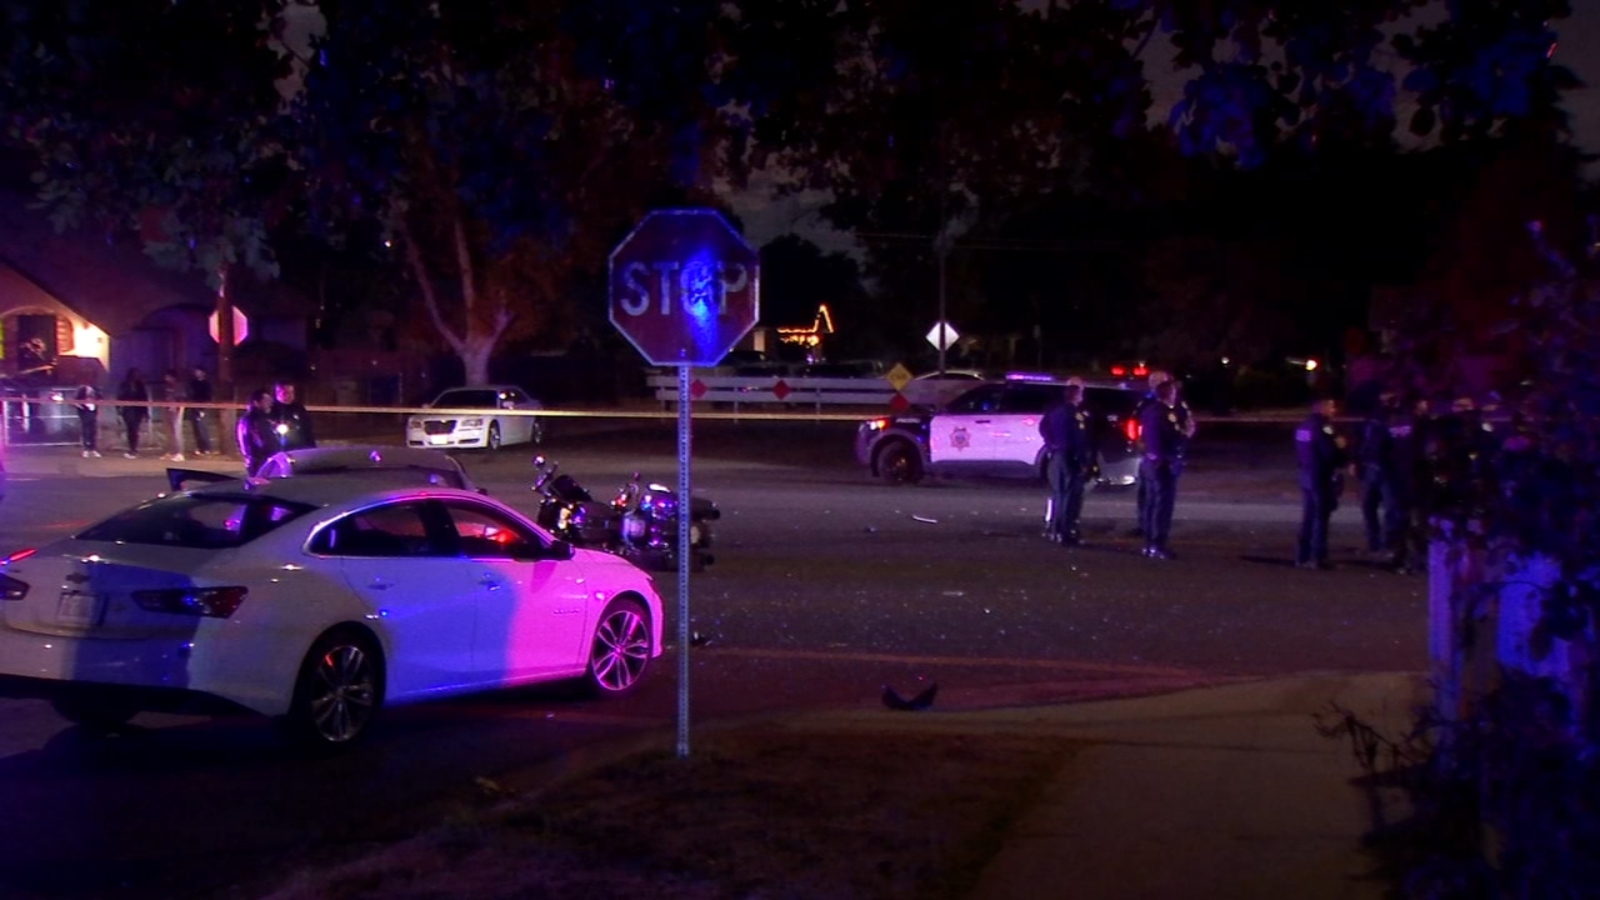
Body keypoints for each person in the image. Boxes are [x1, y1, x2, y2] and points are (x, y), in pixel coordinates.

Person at [1295, 395, 1349, 570]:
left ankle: (1302, 556)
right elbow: (1329, 454)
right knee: (1320, 518)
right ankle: (1318, 557)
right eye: (1331, 407)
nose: (1334, 411)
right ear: (1322, 408)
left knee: (1308, 517)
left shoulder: (1303, 426)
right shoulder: (1323, 427)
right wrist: (1342, 450)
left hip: (1306, 474)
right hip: (1320, 477)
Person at [1038, 380, 1092, 546]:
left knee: (1060, 494)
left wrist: (1051, 444)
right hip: (1071, 457)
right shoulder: (1075, 414)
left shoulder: (1055, 411)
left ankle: (1057, 530)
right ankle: (1067, 533)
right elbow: (1079, 439)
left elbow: (1043, 427)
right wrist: (1083, 461)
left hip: (1058, 455)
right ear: (1076, 396)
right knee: (1071, 496)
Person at [1137, 379, 1183, 559]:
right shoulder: (1166, 413)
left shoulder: (1148, 411)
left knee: (1150, 503)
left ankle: (1149, 543)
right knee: (1162, 506)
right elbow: (1172, 437)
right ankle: (1158, 544)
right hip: (1163, 463)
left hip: (1149, 462)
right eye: (1173, 392)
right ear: (1169, 394)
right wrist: (1185, 434)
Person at [1357, 392, 1404, 558]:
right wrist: (1358, 462)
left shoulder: (1398, 417)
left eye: (1390, 399)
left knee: (1391, 509)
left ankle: (1389, 545)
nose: (1386, 402)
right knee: (1368, 508)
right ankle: (1374, 544)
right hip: (1371, 468)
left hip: (1388, 470)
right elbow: (1365, 442)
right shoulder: (1374, 417)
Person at [237, 389, 276, 476]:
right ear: (256, 403)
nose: (270, 403)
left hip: (264, 458)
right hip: (259, 460)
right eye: (266, 401)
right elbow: (256, 440)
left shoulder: (265, 419)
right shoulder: (252, 420)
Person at [269, 381, 316, 451]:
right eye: (286, 392)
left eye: (292, 392)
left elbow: (307, 428)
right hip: (279, 449)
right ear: (278, 393)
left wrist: (311, 447)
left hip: (300, 448)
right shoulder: (271, 409)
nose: (290, 395)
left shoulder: (299, 408)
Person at [116, 368, 149, 459]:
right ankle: (132, 448)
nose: (136, 376)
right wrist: (118, 411)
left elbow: (144, 398)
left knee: (135, 429)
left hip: (138, 410)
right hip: (127, 410)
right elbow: (119, 397)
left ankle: (134, 449)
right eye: (135, 374)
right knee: (130, 429)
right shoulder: (124, 385)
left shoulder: (140, 385)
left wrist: (146, 413)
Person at [184, 367, 214, 455]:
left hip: (203, 406)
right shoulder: (193, 382)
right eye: (195, 371)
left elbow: (208, 396)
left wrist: (204, 408)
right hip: (194, 406)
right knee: (195, 428)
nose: (196, 373)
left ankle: (207, 447)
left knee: (202, 427)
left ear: (203, 373)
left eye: (198, 371)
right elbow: (190, 394)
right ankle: (200, 447)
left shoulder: (206, 383)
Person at [157, 369, 185, 461]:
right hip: (167, 409)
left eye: (168, 377)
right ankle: (171, 451)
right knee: (169, 432)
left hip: (176, 410)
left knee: (176, 431)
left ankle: (179, 453)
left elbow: (182, 398)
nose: (166, 378)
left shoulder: (179, 386)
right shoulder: (166, 387)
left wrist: (179, 408)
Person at [74, 384, 102, 458]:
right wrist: (82, 408)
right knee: (86, 430)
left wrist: (97, 407)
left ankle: (93, 449)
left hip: (93, 412)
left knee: (93, 431)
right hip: (85, 413)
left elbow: (100, 399)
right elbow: (76, 401)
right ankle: (86, 449)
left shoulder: (95, 389)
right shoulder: (81, 390)